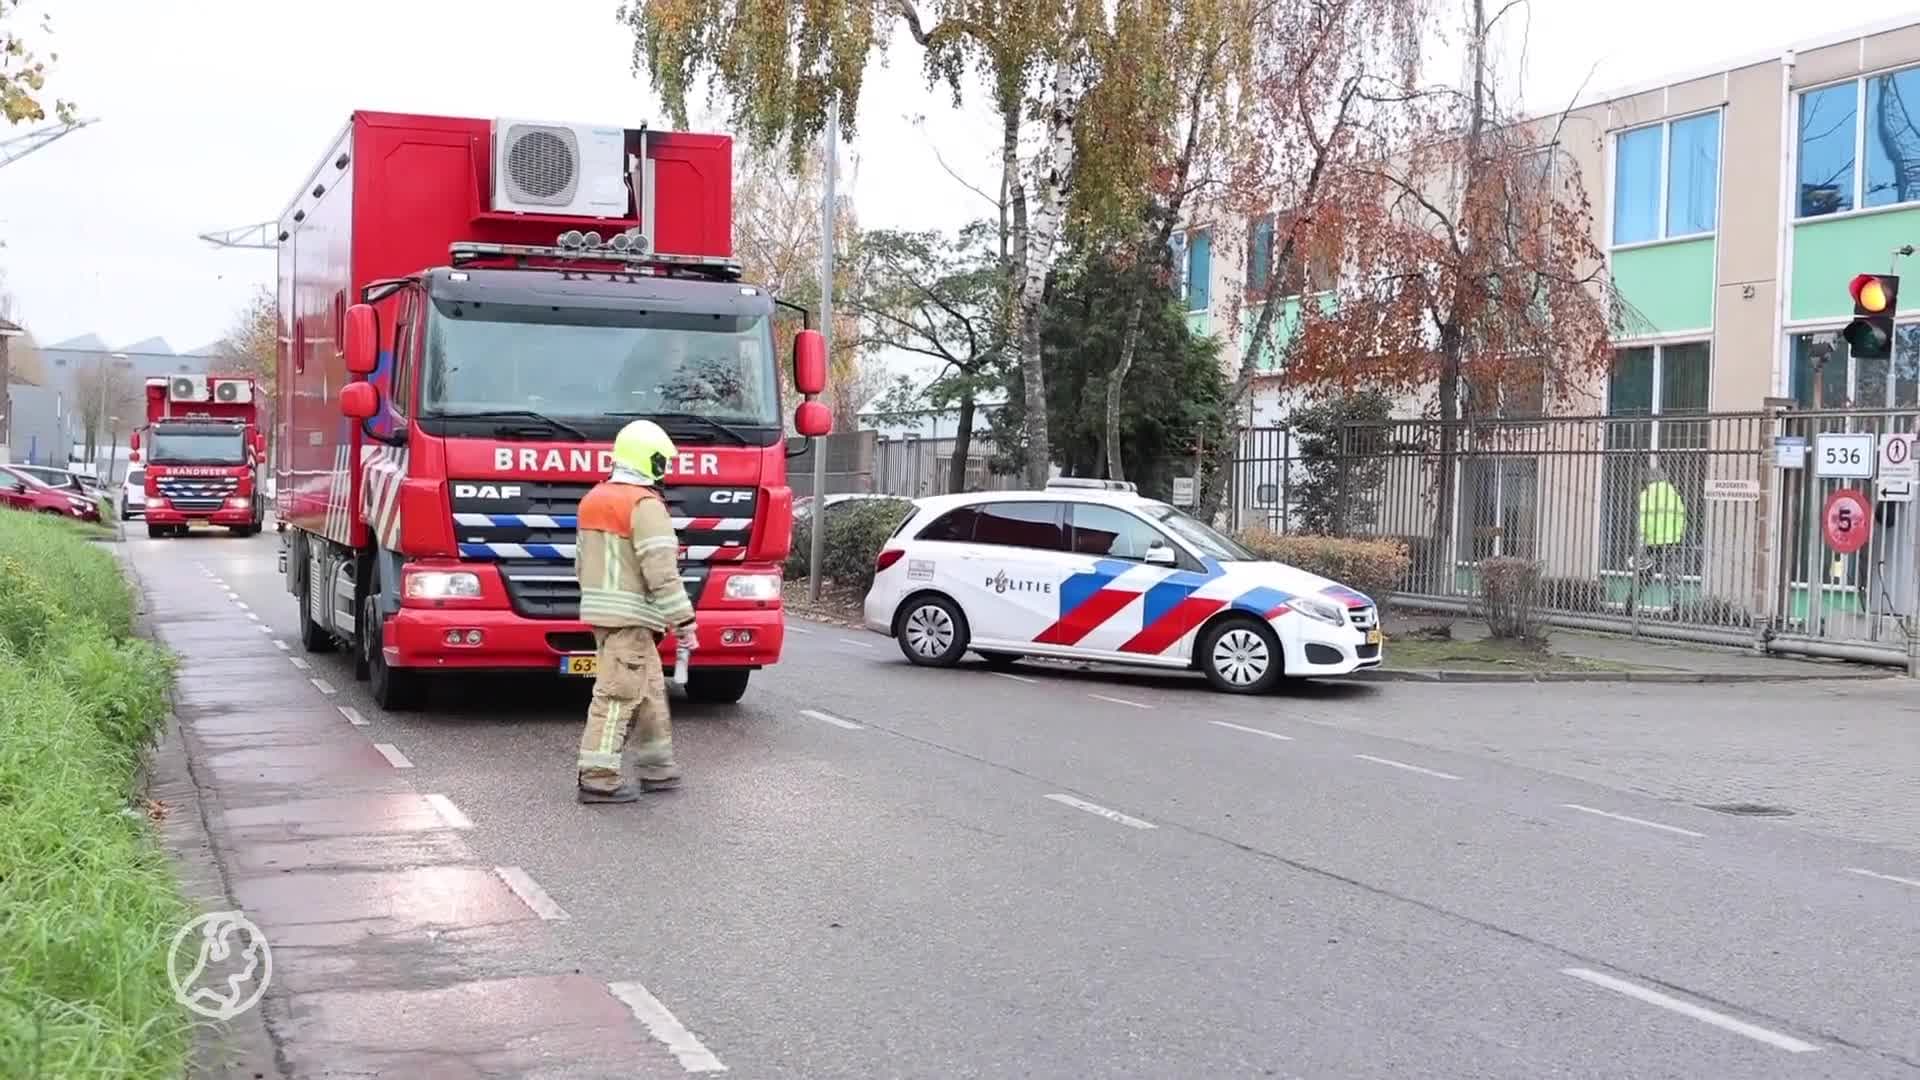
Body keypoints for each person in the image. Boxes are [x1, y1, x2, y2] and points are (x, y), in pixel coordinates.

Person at [572, 419, 697, 803]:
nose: (667, 468)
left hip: (605, 615)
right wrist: (685, 622)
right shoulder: (644, 504)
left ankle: (657, 768)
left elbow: (581, 564)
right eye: (663, 460)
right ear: (650, 460)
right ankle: (598, 777)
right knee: (616, 696)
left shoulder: (594, 498)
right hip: (632, 617)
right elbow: (662, 573)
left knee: (650, 692)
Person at [1636, 457, 1688, 606]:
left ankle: (1632, 603)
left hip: (1651, 542)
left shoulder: (1645, 495)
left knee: (1644, 574)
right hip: (1672, 542)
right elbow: (1682, 517)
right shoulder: (1674, 494)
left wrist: (1641, 541)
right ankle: (1677, 605)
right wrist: (1680, 534)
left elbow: (1641, 521)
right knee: (1673, 576)